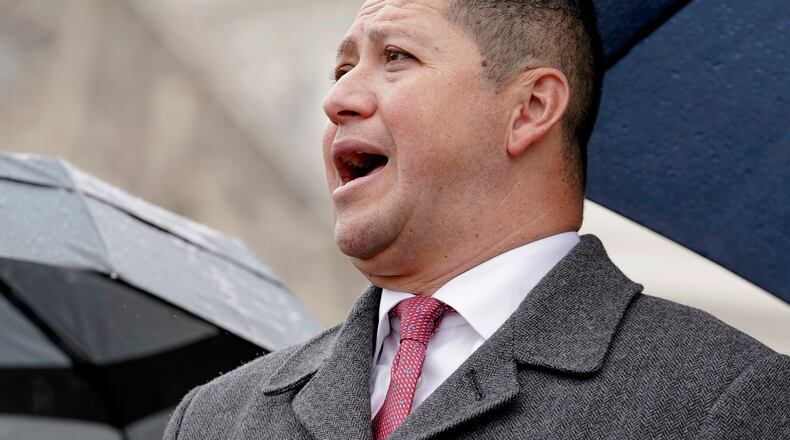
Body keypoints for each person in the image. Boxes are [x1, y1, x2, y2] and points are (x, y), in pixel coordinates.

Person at [164, 0, 790, 439]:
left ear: (530, 108)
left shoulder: (724, 400)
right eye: (342, 67)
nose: (337, 98)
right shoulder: (216, 418)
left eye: (397, 56)